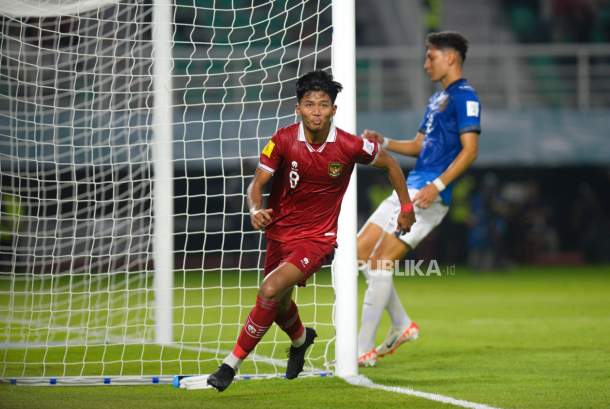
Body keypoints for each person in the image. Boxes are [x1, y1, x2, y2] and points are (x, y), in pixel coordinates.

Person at [207, 70, 416, 391]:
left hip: (317, 238)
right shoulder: (282, 140)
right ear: (298, 108)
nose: (316, 111)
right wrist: (255, 209)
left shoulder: (349, 145)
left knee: (269, 290)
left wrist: (406, 206)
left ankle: (228, 366)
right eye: (309, 104)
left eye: (323, 105)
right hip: (278, 234)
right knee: (277, 303)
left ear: (333, 109)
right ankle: (302, 339)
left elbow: (390, 164)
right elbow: (257, 184)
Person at [357, 31, 481, 367]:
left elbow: (470, 152)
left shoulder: (465, 97)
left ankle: (361, 350)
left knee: (380, 262)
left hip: (429, 197)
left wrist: (438, 186)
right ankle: (400, 325)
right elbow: (417, 146)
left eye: (431, 56)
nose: (426, 62)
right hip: (410, 186)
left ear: (451, 57)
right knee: (359, 254)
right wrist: (385, 141)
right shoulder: (435, 99)